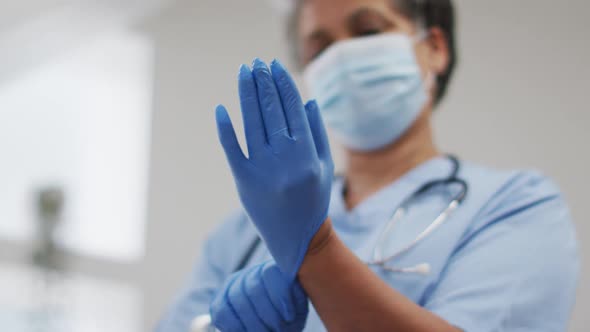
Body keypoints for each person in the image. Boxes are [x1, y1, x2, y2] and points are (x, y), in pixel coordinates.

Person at [157, 0, 579, 331]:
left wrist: (315, 249)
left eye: (368, 31)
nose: (342, 56)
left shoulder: (516, 205)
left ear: (434, 49)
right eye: (320, 48)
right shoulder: (243, 232)